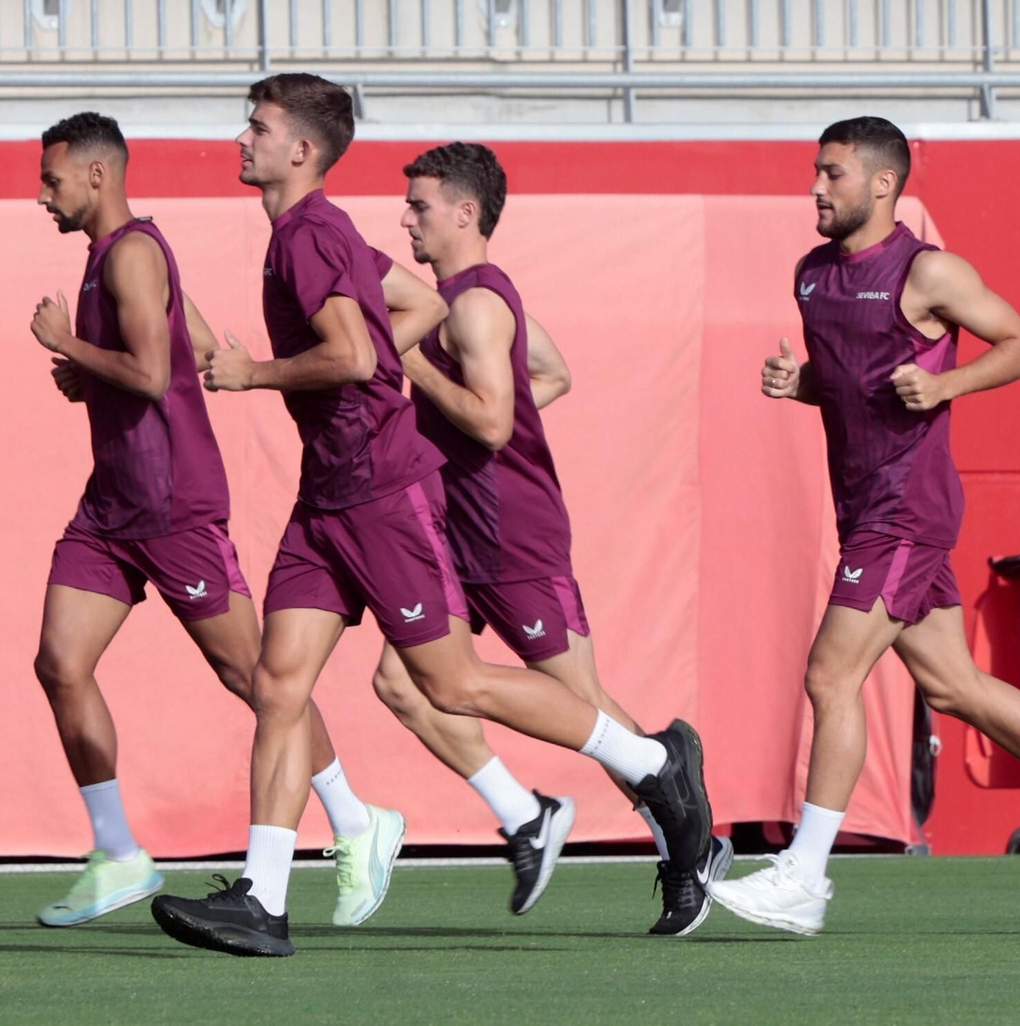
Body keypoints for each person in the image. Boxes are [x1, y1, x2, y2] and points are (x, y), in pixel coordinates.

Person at [148, 75, 713, 958]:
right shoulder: (308, 237)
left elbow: (352, 351)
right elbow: (415, 307)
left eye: (254, 128)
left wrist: (256, 374)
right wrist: (378, 367)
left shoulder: (311, 236)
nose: (239, 140)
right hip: (327, 497)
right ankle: (262, 899)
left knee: (454, 684)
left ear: (301, 151)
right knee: (278, 684)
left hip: (380, 496)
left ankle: (651, 764)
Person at [708, 116, 1020, 937]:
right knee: (953, 687)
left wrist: (949, 387)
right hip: (866, 509)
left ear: (883, 184)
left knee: (830, 678)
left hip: (905, 509)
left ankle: (804, 876)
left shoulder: (928, 272)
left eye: (833, 174)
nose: (816, 187)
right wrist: (798, 383)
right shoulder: (810, 275)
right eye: (815, 171)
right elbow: (850, 385)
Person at [27, 112, 437, 929]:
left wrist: (72, 347)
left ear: (98, 176)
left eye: (53, 179)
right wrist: (92, 374)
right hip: (112, 505)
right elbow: (175, 356)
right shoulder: (107, 256)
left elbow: (149, 372)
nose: (43, 195)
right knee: (59, 662)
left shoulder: (136, 252)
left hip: (173, 502)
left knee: (255, 678)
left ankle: (357, 821)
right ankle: (118, 853)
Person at [366, 141, 733, 935]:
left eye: (420, 206)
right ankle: (524, 814)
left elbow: (496, 421)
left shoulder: (475, 305)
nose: (407, 220)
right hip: (453, 533)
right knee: (401, 682)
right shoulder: (463, 301)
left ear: (466, 212)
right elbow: (552, 375)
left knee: (583, 708)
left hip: (514, 537)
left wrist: (415, 372)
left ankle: (689, 846)